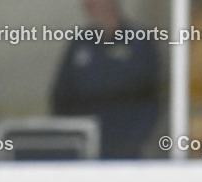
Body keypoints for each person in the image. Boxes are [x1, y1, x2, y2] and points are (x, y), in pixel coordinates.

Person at [51, 0, 162, 159]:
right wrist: (71, 139)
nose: (88, 4)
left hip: (125, 153)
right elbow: (60, 96)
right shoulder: (79, 44)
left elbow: (151, 98)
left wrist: (133, 141)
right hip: (83, 152)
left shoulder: (139, 42)